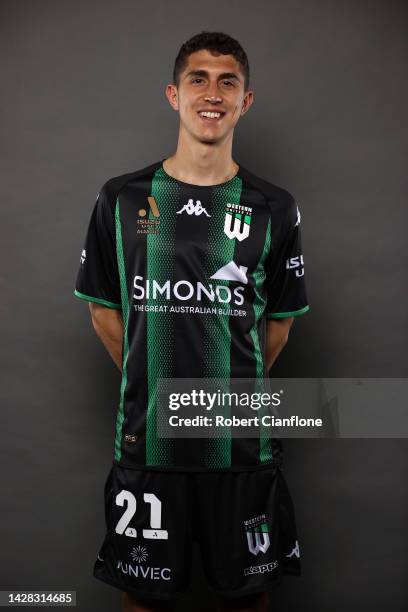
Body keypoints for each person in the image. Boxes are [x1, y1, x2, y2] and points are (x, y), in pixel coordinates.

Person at [74, 31, 309, 612]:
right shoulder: (123, 198)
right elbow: (105, 311)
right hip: (148, 445)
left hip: (241, 451)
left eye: (228, 81)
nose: (213, 93)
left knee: (247, 599)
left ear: (245, 101)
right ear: (173, 95)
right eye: (197, 80)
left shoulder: (274, 207)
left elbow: (275, 325)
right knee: (144, 600)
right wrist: (154, 383)